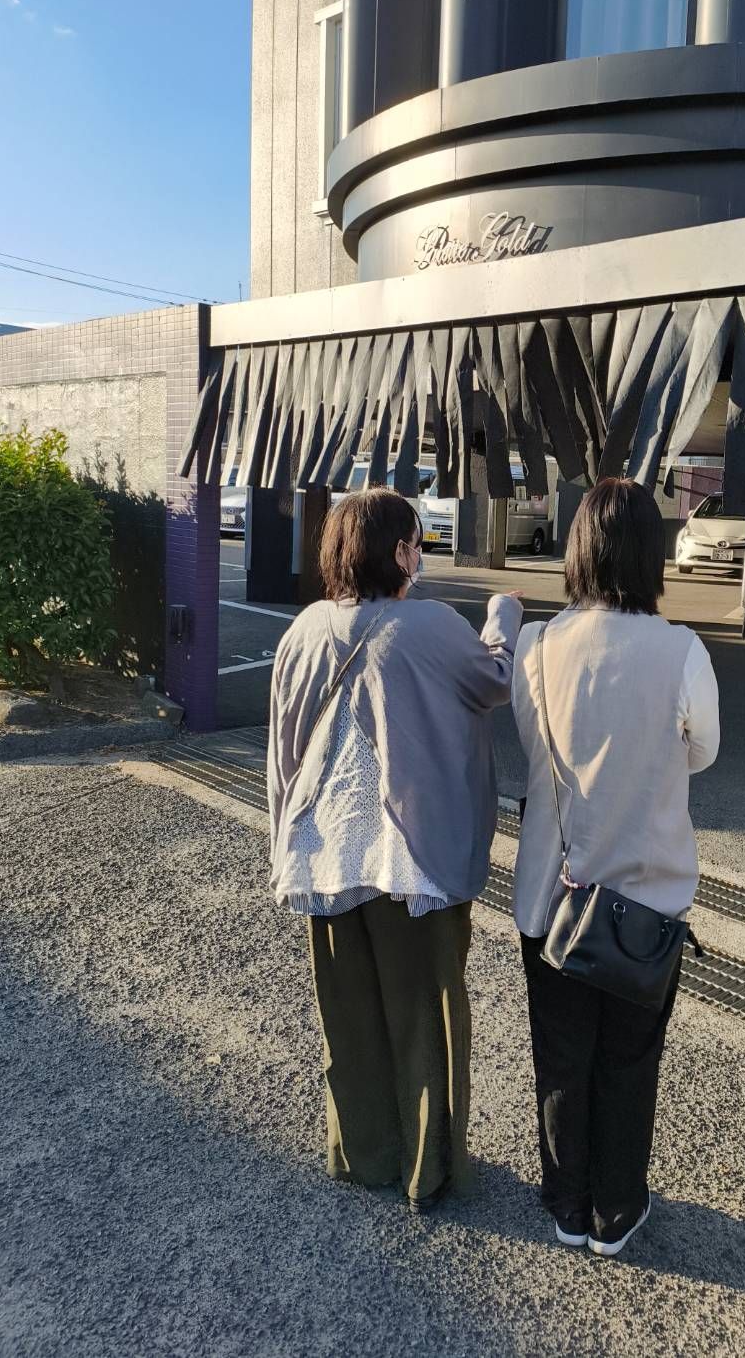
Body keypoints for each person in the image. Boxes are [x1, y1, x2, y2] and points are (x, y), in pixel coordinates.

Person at [267, 489, 522, 1211]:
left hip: (322, 855)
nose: (420, 555)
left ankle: (363, 1152)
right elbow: (494, 680)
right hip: (413, 862)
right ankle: (425, 1167)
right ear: (400, 552)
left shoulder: (303, 629)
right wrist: (503, 618)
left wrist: (282, 843)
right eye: (417, 542)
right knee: (425, 1022)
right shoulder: (431, 626)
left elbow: (282, 751)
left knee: (348, 1017)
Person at [511, 477, 720, 1256]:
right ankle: (616, 1211)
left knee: (561, 1057)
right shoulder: (684, 651)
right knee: (629, 1061)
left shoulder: (537, 645)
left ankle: (567, 1205)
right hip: (646, 905)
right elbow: (704, 751)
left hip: (552, 900)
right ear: (650, 555)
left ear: (578, 550)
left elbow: (533, 745)